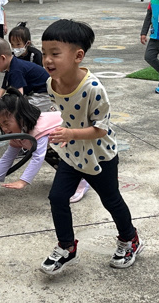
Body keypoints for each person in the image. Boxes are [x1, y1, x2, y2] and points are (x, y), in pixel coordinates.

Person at [40, 18, 141, 275]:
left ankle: (130, 239)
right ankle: (67, 246)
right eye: (44, 53)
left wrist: (70, 133)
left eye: (55, 54)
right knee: (57, 198)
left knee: (111, 200)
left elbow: (101, 129)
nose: (47, 60)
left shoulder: (94, 89)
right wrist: (62, 133)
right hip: (72, 153)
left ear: (78, 56)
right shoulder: (52, 83)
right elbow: (64, 113)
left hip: (100, 155)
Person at [0, 89, 88, 201]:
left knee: (50, 152)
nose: (4, 128)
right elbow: (7, 157)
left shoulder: (38, 130)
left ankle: (82, 180)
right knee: (49, 152)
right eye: (1, 124)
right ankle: (74, 177)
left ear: (21, 118)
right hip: (63, 142)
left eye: (6, 123)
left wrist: (23, 181)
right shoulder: (18, 133)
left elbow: (38, 158)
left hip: (79, 137)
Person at [0, 36, 49, 100]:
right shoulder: (12, 64)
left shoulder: (16, 70)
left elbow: (19, 96)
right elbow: (5, 83)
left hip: (44, 94)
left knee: (19, 107)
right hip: (36, 92)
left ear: (3, 58)